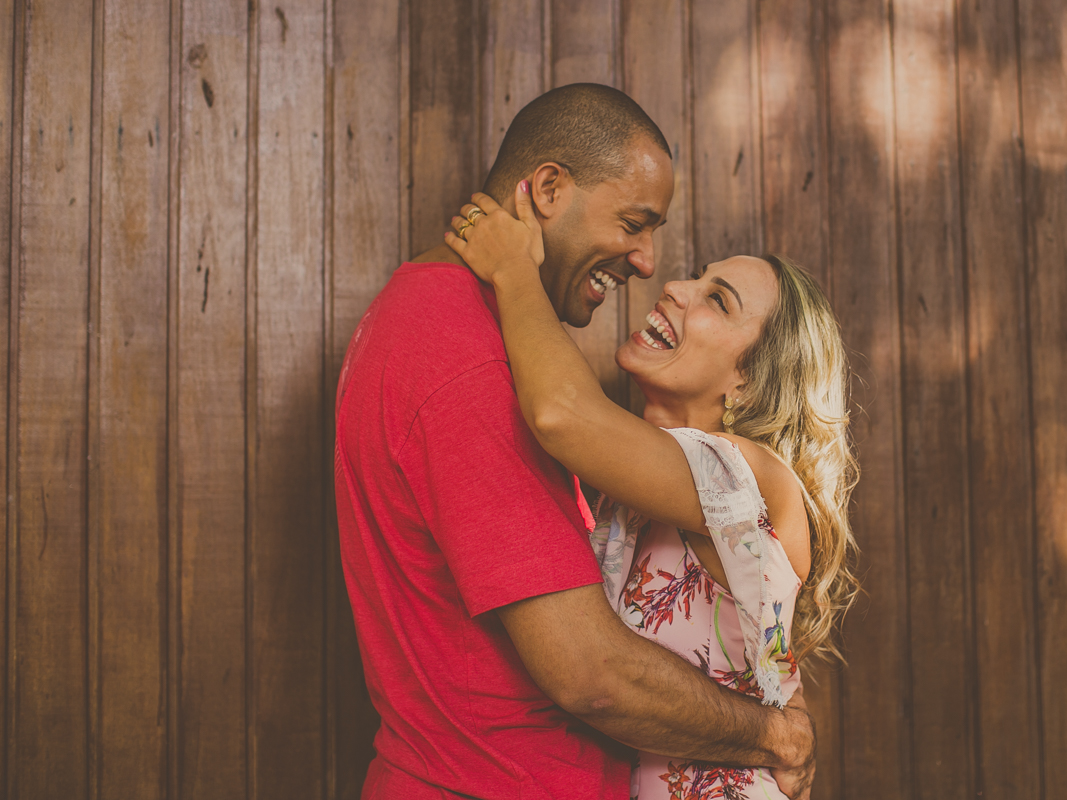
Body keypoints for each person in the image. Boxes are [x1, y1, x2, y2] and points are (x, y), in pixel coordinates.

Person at [334, 83, 817, 800]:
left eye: (717, 298)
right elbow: (592, 673)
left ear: (749, 380)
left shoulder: (733, 473)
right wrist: (776, 733)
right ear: (550, 188)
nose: (656, 270)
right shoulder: (472, 358)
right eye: (634, 222)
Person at [442, 182, 860, 799]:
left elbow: (560, 413)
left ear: (748, 381)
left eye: (717, 300)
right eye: (696, 275)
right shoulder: (623, 493)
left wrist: (512, 269)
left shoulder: (756, 478)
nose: (675, 287)